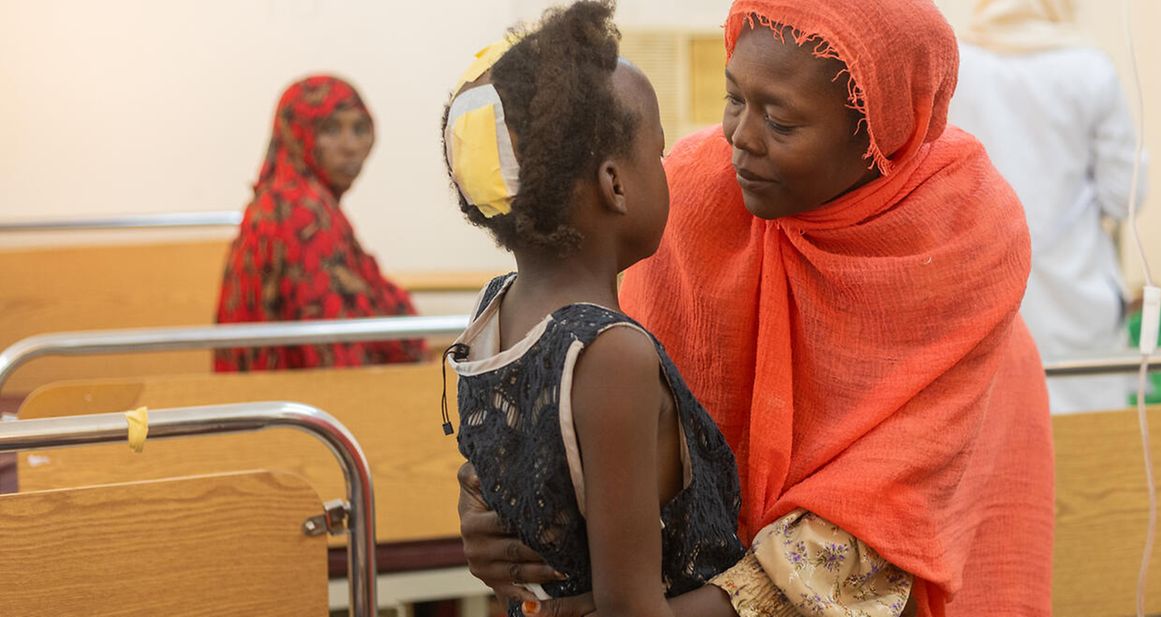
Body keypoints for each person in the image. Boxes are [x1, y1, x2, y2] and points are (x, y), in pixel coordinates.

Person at [459, 0, 1055, 615]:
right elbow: (592, 416)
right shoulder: (695, 192)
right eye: (735, 98)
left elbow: (876, 522)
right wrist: (501, 511)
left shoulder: (961, 240)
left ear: (876, 128)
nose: (739, 139)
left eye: (782, 121)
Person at [441, 3, 743, 617]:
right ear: (616, 184)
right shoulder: (611, 352)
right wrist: (764, 595)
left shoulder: (495, 310)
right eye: (657, 155)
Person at [948, 0, 1147, 413]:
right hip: (1073, 287)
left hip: (976, 277)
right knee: (1088, 436)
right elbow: (1124, 194)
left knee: (997, 427)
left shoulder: (958, 65)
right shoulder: (1089, 69)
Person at [215, 75, 422, 371]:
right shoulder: (299, 212)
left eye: (360, 129)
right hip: (291, 406)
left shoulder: (294, 200)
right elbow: (336, 357)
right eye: (330, 129)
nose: (350, 146)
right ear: (296, 134)